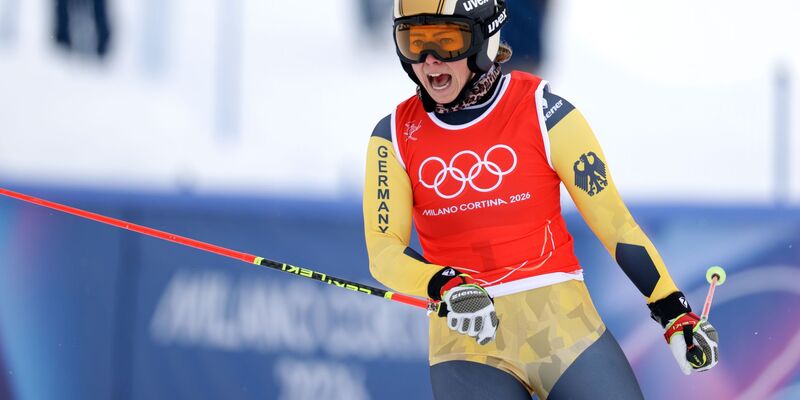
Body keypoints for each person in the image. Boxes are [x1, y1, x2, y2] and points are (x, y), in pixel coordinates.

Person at [362, 0, 719, 399]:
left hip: (564, 332)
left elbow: (615, 224)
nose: (429, 62)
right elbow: (384, 253)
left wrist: (673, 311)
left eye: (447, 41)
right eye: (414, 43)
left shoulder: (544, 111)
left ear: (483, 39)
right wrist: (445, 285)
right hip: (467, 343)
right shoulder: (393, 135)